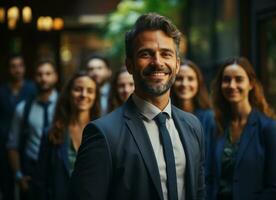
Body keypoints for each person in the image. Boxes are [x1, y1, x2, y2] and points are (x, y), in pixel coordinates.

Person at [69, 13, 205, 200]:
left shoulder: (193, 126)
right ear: (130, 65)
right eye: (146, 54)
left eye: (166, 54)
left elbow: (198, 193)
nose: (157, 62)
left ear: (177, 64)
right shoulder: (103, 134)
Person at [209, 57, 276, 200]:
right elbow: (209, 177)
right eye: (226, 80)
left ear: (251, 84)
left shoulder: (268, 127)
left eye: (239, 79)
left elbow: (275, 188)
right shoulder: (217, 124)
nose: (231, 85)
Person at [35, 71, 100, 200]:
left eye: (90, 90)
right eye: (78, 89)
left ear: (96, 96)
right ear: (68, 93)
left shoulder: (103, 132)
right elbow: (40, 180)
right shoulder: (52, 133)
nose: (83, 94)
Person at [7, 59, 59, 200]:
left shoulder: (64, 106)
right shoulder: (23, 109)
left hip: (59, 172)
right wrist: (18, 175)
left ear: (55, 76)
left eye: (48, 74)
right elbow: (12, 144)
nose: (44, 78)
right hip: (32, 172)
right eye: (39, 74)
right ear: (34, 77)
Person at [171, 59, 215, 185]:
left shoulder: (209, 118)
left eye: (190, 79)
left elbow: (211, 162)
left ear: (198, 84)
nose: (184, 83)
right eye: (179, 78)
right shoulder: (165, 116)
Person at [0, 54, 36, 200]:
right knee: (6, 186)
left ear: (24, 68)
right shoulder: (2, 91)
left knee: (27, 188)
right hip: (3, 145)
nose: (17, 70)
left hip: (26, 144)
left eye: (20, 66)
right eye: (13, 66)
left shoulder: (32, 89)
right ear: (9, 69)